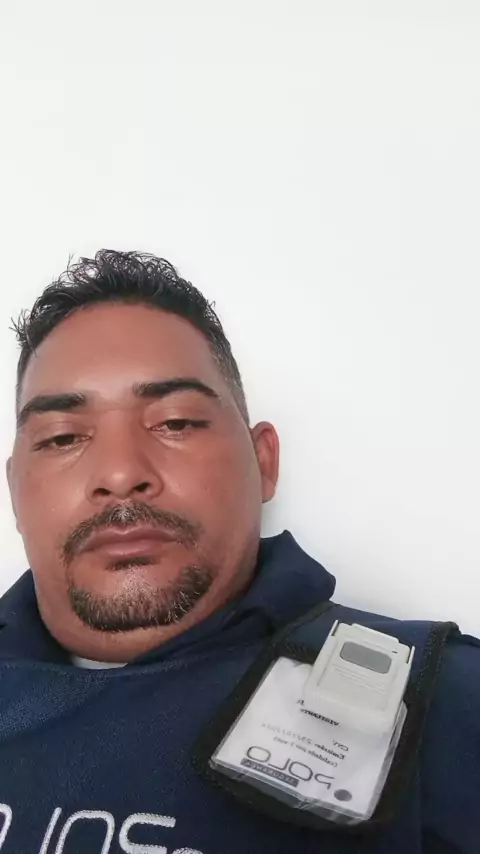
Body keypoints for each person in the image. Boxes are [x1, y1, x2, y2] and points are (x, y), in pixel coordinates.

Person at [1, 250, 478, 854]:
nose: (119, 474)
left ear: (264, 462)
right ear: (14, 490)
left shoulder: (448, 704)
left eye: (175, 422)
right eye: (63, 437)